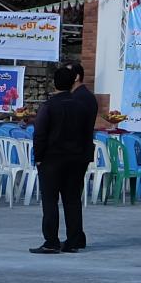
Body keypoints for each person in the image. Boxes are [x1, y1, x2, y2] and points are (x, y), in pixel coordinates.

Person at [30, 64, 98, 254]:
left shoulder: (49, 107)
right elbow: (87, 133)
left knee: (50, 201)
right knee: (72, 200)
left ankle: (51, 241)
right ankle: (74, 240)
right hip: (76, 159)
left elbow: (40, 134)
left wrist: (38, 157)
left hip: (52, 160)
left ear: (55, 84)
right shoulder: (81, 106)